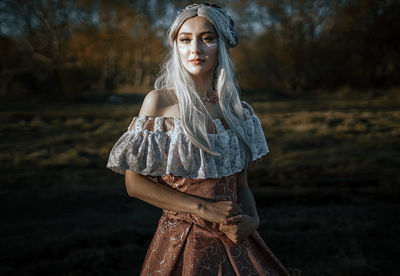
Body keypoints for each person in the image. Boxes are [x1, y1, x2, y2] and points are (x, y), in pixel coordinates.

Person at [107, 3, 296, 275]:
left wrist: (252, 220)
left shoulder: (237, 111)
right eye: (185, 40)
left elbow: (240, 186)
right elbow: (134, 183)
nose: (195, 49)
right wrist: (204, 208)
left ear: (223, 46)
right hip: (181, 242)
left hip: (235, 240)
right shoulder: (160, 102)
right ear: (177, 47)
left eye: (207, 38)